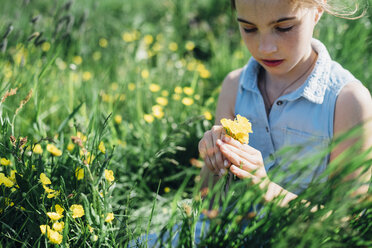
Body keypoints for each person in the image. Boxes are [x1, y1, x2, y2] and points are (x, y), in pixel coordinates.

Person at [198, 0, 372, 207]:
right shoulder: (234, 87)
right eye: (249, 28)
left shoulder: (347, 102)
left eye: (284, 27)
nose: (266, 48)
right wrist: (213, 161)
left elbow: (347, 223)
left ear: (317, 11)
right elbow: (208, 203)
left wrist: (267, 189)